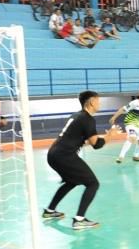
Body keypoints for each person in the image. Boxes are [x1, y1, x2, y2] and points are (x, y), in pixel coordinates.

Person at [42, 90, 105, 230]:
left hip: (53, 154)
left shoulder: (77, 115)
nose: (99, 103)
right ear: (91, 102)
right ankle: (79, 220)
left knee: (72, 181)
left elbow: (80, 139)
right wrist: (110, 136)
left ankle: (50, 211)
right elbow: (96, 145)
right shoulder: (88, 119)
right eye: (98, 100)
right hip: (64, 155)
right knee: (93, 183)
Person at [108, 88, 139, 163]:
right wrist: (113, 117)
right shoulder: (134, 103)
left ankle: (136, 156)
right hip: (130, 123)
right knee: (132, 138)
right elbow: (123, 109)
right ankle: (121, 157)